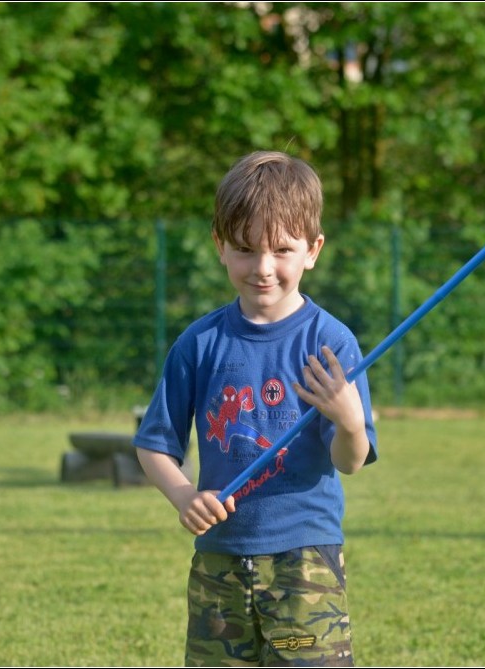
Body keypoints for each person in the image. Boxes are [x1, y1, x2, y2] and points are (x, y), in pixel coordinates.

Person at [134, 150, 379, 667]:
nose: (263, 268)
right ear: (220, 247)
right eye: (245, 250)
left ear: (312, 250)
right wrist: (183, 497)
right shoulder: (200, 343)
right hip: (218, 560)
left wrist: (349, 419)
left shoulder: (330, 342)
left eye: (282, 250)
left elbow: (350, 461)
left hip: (304, 561)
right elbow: (155, 444)